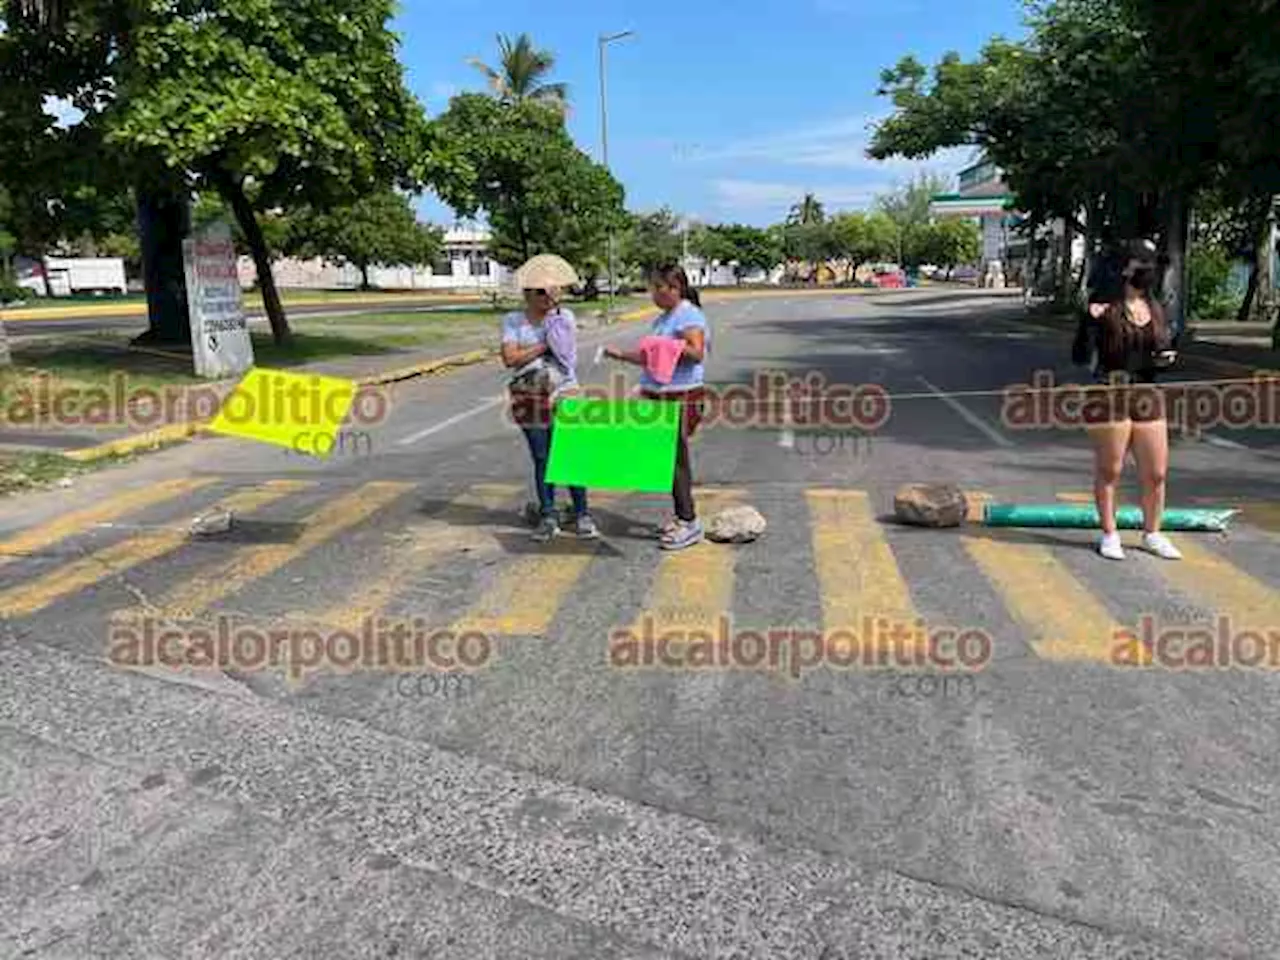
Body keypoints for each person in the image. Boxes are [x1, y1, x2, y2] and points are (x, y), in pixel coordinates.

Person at [1081, 239, 1181, 561]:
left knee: (1156, 472)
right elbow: (1080, 356)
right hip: (1109, 394)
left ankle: (1152, 532)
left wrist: (1165, 357)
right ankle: (1109, 533)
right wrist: (1089, 322)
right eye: (1143, 265)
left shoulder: (1155, 308)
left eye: (1152, 266)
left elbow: (1158, 349)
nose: (1149, 272)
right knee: (1110, 469)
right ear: (1125, 268)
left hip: (1147, 394)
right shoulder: (1103, 307)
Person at [603, 263, 709, 550]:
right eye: (652, 287)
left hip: (681, 395)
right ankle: (682, 516)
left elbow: (696, 353)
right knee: (664, 458)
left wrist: (669, 347)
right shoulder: (664, 319)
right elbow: (650, 358)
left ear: (673, 288)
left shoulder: (688, 314)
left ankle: (689, 522)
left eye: (656, 287)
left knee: (675, 460)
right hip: (659, 394)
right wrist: (621, 355)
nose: (652, 293)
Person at [502, 278, 598, 543]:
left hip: (566, 390)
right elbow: (509, 358)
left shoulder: (563, 315)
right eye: (539, 291)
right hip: (529, 393)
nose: (545, 296)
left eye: (550, 291)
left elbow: (567, 354)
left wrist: (554, 317)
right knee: (542, 456)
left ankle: (582, 514)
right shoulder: (513, 320)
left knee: (571, 455)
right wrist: (544, 345)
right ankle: (548, 514)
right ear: (527, 293)